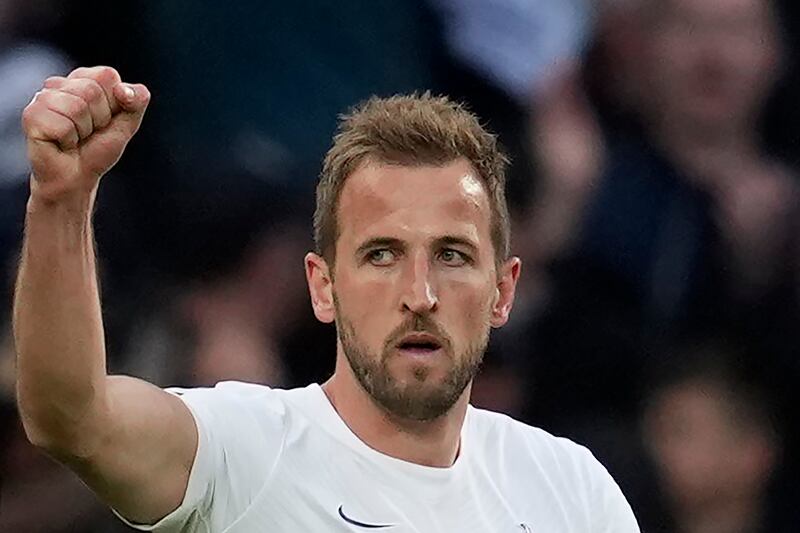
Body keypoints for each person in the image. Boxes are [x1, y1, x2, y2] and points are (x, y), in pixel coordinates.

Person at [13, 66, 640, 532]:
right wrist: (62, 199)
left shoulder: (572, 492)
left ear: (503, 292)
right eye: (381, 255)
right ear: (322, 286)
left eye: (451, 256)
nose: (419, 295)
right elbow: (71, 416)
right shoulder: (247, 450)